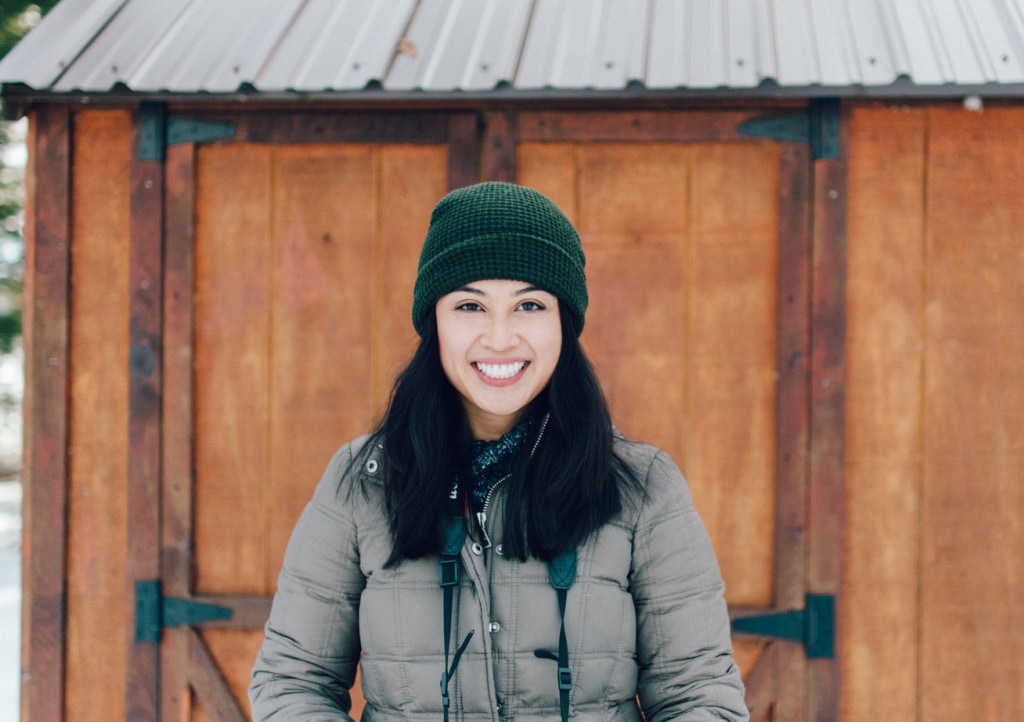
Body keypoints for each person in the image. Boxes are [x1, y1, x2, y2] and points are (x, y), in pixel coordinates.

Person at [249, 182, 749, 721]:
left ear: (565, 321)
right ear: (433, 321)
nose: (500, 337)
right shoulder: (364, 480)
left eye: (529, 304)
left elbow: (700, 695)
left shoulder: (642, 487)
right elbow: (292, 682)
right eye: (470, 305)